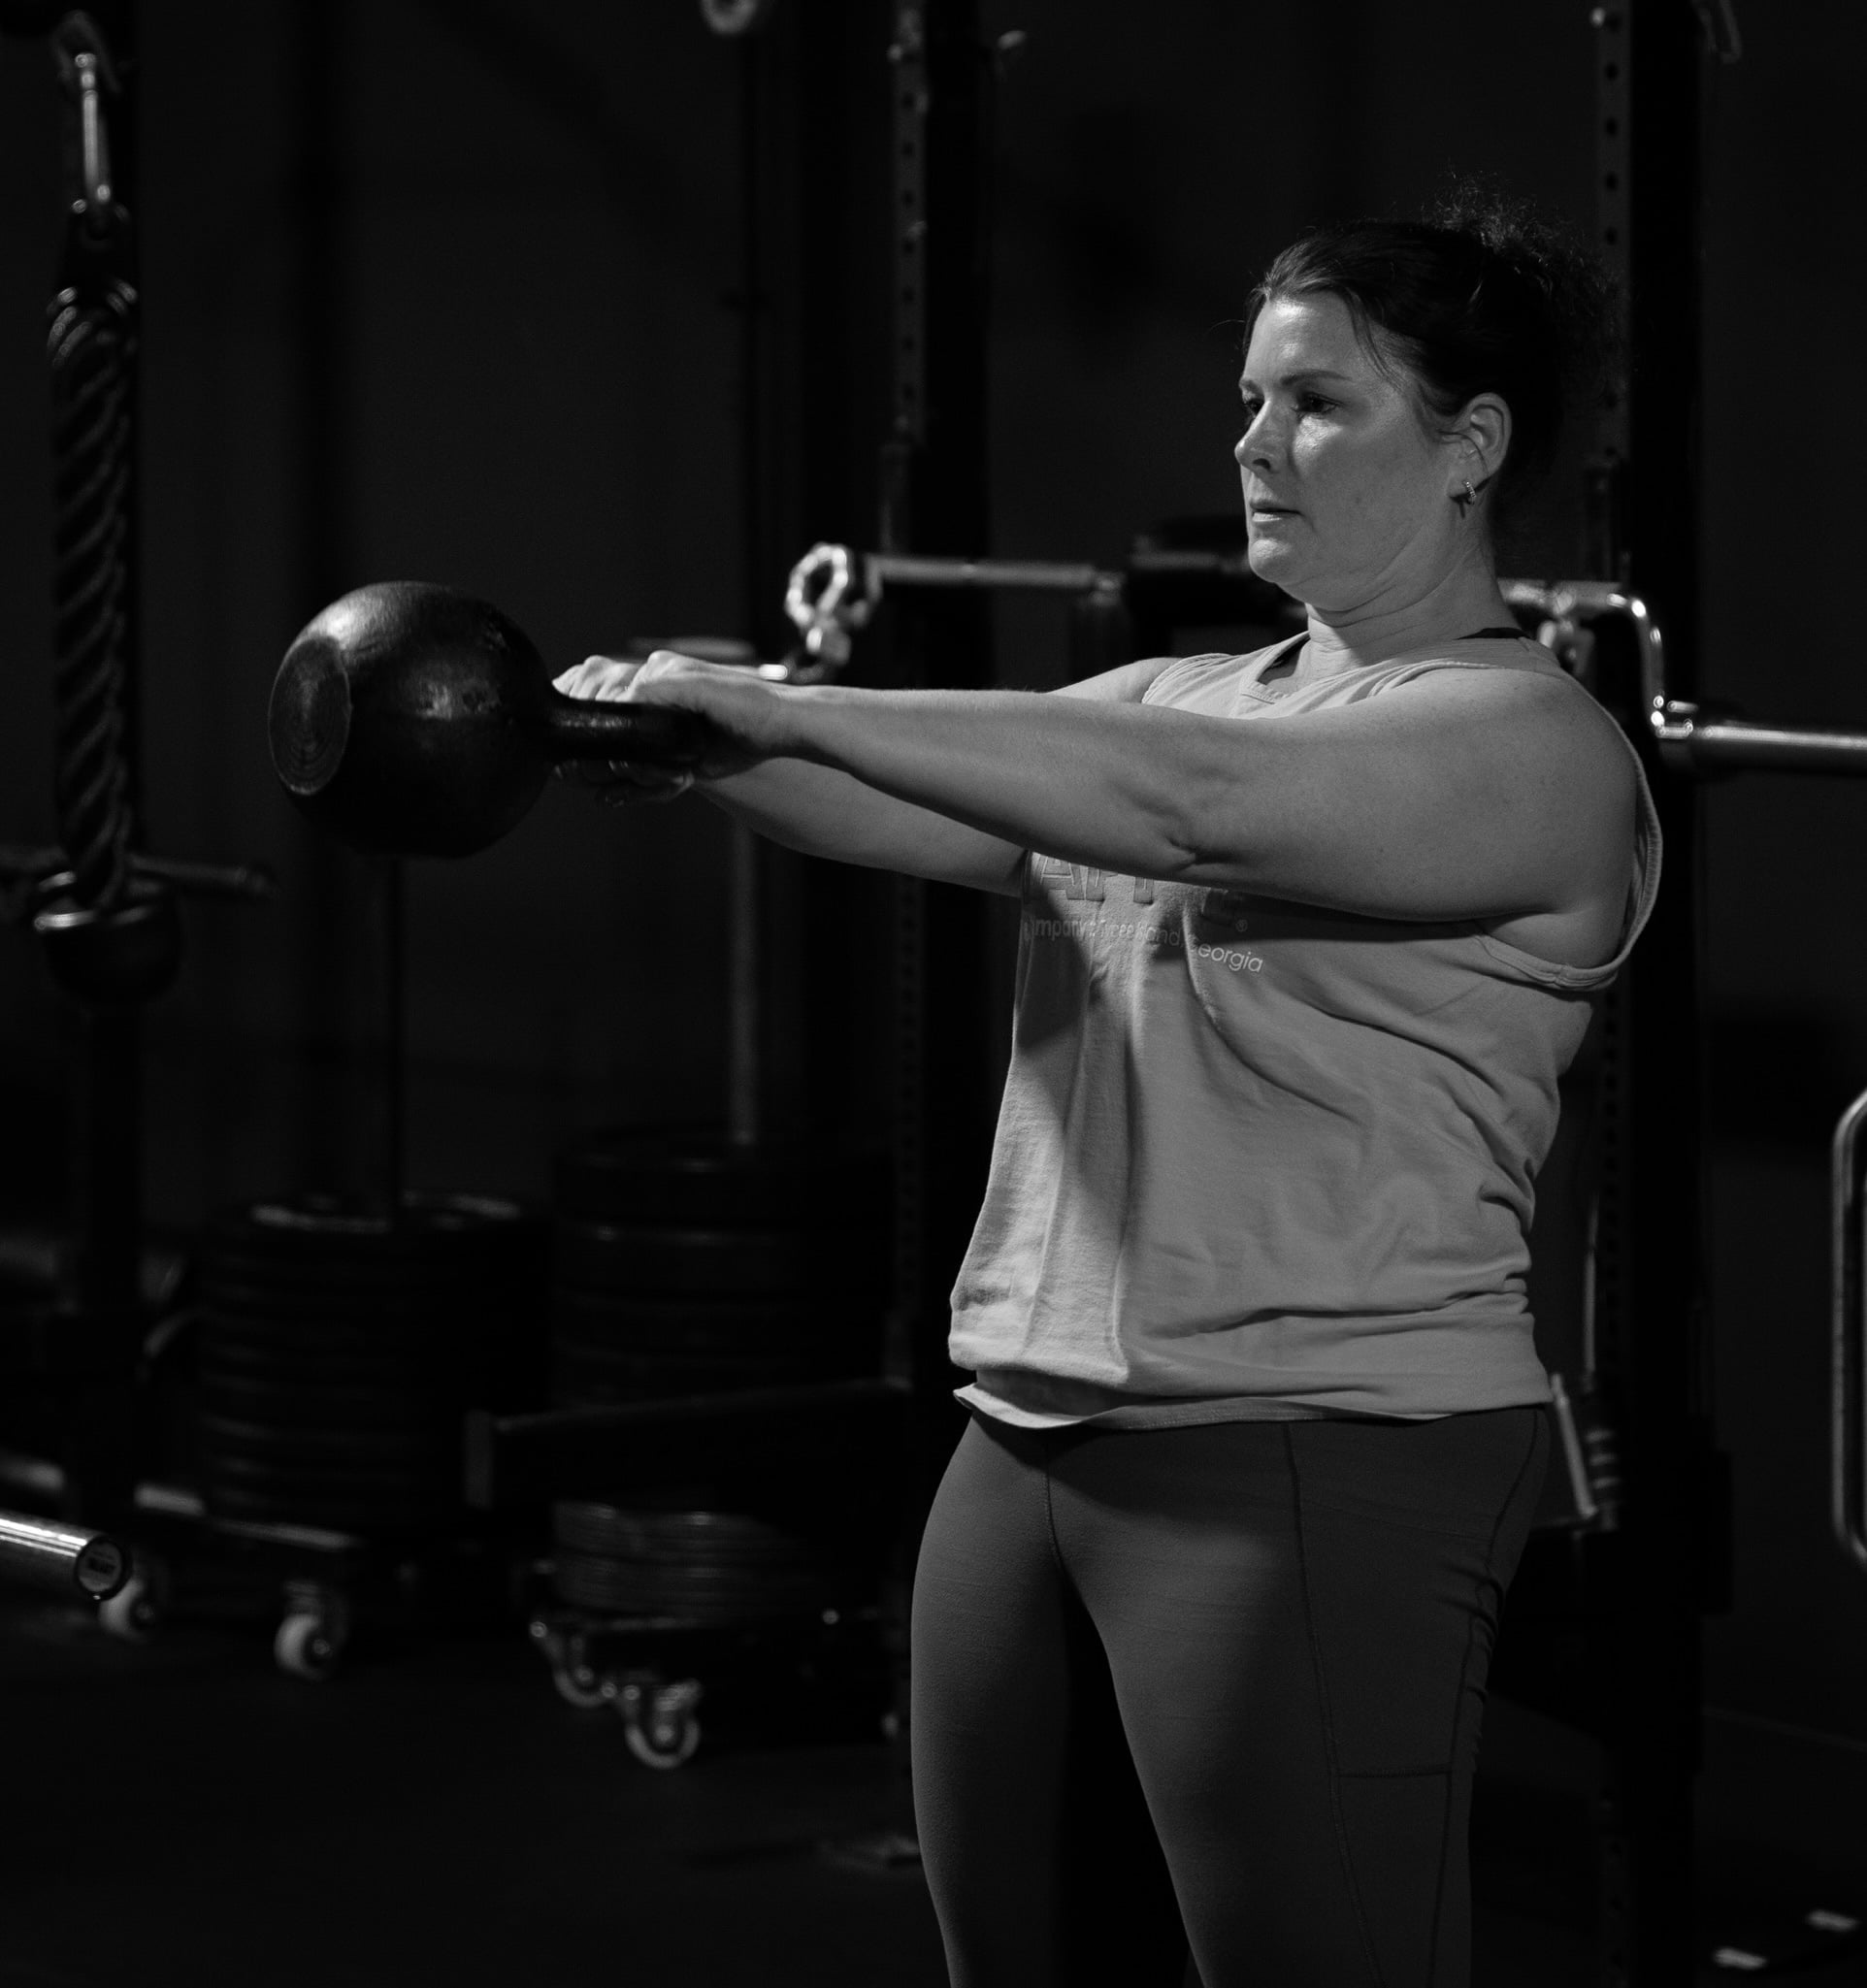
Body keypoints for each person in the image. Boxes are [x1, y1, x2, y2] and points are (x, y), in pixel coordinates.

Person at [556, 190, 1656, 1988]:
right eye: (1249, 398)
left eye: (1319, 403)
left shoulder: (1527, 745)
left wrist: (779, 703)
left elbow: (1180, 806)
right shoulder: (1194, 691)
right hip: (1026, 1441)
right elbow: (930, 808)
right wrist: (661, 746)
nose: (1255, 441)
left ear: (1473, 446)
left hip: (1311, 1441)